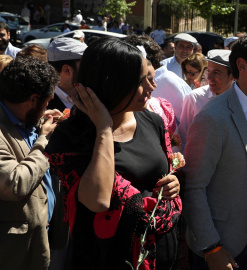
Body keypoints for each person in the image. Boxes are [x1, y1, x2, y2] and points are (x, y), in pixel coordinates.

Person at [45, 38, 182, 269]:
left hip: (160, 256)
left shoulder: (153, 122)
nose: (150, 88)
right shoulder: (71, 135)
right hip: (103, 259)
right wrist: (104, 129)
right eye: (140, 81)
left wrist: (173, 184)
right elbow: (97, 200)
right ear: (113, 83)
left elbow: (163, 174)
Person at [183, 33, 247, 270]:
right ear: (242, 66)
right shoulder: (212, 118)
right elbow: (194, 187)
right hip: (220, 246)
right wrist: (212, 248)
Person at [0, 56, 59, 270]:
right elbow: (14, 183)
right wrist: (43, 140)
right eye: (46, 102)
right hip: (13, 254)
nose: (47, 107)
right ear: (33, 100)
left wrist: (39, 121)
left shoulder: (22, 118)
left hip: (37, 240)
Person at [177, 49, 234, 152]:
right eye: (208, 70)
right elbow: (184, 136)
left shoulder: (243, 99)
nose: (209, 77)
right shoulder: (195, 98)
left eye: (216, 72)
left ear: (233, 75)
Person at [47, 37, 88, 111]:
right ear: (67, 70)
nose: (90, 69)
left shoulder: (90, 94)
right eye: (85, 64)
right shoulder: (44, 105)